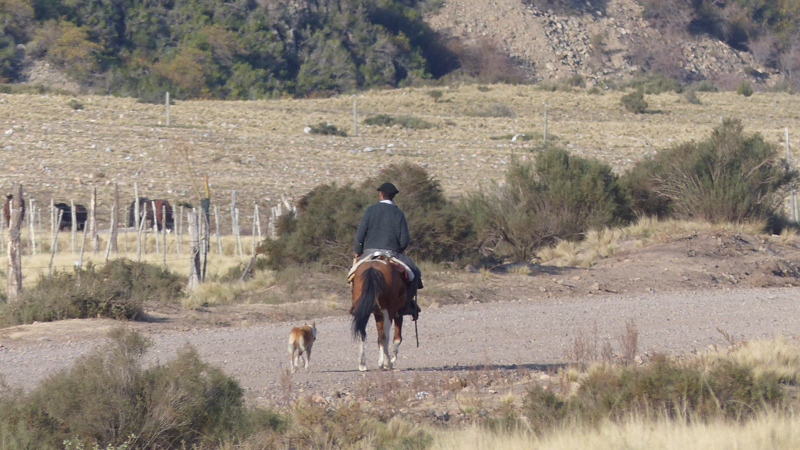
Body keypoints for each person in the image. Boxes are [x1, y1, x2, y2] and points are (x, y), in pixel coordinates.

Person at [353, 182, 422, 320]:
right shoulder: (399, 213)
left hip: (369, 252)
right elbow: (405, 240)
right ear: (393, 196)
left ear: (380, 194)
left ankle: (355, 305)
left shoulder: (370, 210)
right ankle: (407, 305)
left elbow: (360, 235)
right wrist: (399, 249)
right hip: (393, 253)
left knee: (353, 274)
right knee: (415, 272)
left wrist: (358, 251)